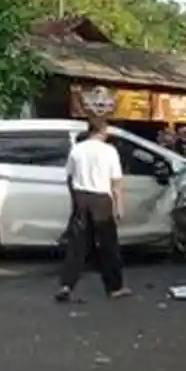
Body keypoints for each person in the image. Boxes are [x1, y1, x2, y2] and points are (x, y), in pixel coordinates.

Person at [56, 116, 131, 302]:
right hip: (101, 199)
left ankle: (66, 285)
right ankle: (114, 287)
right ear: (103, 131)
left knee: (77, 245)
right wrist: (119, 206)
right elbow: (116, 183)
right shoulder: (109, 151)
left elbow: (69, 177)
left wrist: (75, 198)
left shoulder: (77, 150)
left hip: (81, 197)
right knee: (108, 245)